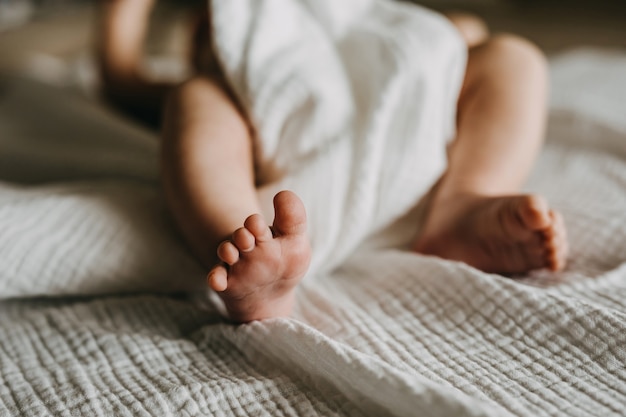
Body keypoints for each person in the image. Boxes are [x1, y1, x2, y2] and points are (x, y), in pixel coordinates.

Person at [97, 0, 568, 323]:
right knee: (193, 100)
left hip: (409, 111)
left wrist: (442, 33)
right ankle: (245, 245)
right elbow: (121, 80)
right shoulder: (220, 82)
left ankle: (467, 200)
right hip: (283, 139)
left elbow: (443, 35)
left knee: (514, 58)